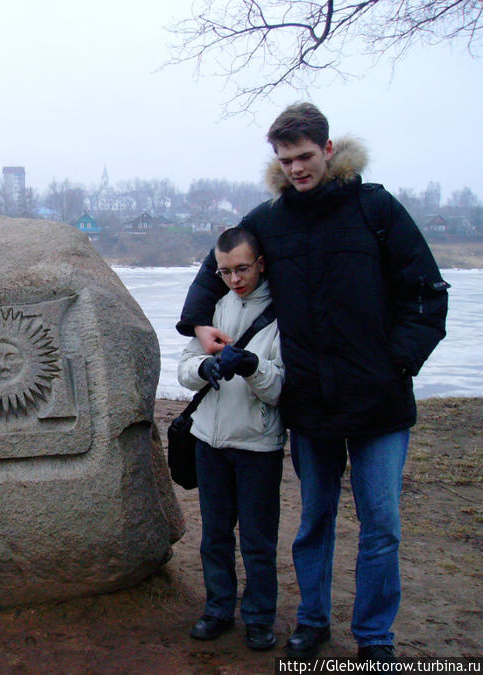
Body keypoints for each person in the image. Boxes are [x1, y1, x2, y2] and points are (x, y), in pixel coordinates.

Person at [177, 102, 449, 662]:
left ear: (327, 150)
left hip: (379, 402)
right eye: (286, 159)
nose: (297, 168)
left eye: (305, 156)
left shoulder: (375, 209)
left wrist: (397, 363)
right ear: (277, 161)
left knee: (381, 527)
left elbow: (426, 295)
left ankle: (375, 639)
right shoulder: (270, 219)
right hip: (310, 406)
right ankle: (313, 622)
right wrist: (201, 326)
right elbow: (217, 267)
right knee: (314, 522)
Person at [178, 227, 285, 652]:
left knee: (258, 540)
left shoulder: (283, 313)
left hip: (258, 444)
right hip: (209, 440)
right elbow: (185, 367)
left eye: (242, 268)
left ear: (259, 263)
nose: (235, 279)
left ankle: (259, 618)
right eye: (225, 271)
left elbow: (280, 390)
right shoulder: (214, 308)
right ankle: (218, 609)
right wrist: (204, 369)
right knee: (214, 535)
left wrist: (252, 365)